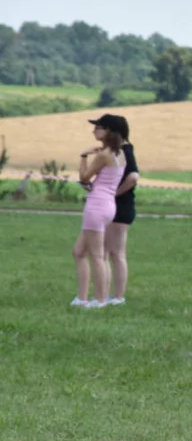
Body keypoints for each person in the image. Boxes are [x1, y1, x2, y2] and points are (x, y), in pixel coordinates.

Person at [72, 114, 127, 308]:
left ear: (109, 131)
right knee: (78, 251)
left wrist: (84, 156)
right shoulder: (119, 154)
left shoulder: (104, 155)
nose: (94, 130)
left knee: (96, 255)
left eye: (99, 127)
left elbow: (85, 177)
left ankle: (100, 299)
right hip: (107, 205)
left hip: (97, 206)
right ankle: (82, 298)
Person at [105, 116, 139, 305]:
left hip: (121, 207)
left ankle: (118, 296)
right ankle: (109, 294)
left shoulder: (125, 150)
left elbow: (133, 176)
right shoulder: (117, 151)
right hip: (115, 205)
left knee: (116, 253)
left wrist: (114, 193)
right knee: (108, 251)